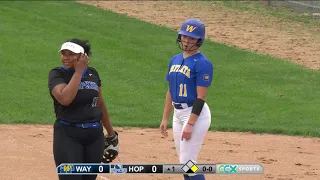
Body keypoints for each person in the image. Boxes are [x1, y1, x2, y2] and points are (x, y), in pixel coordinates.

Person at [48, 38, 118, 180]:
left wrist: (111, 134)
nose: (66, 58)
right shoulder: (57, 74)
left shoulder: (93, 73)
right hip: (68, 135)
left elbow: (99, 103)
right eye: (64, 53)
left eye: (71, 54)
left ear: (83, 56)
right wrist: (78, 73)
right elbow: (65, 99)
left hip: (94, 135)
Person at [160, 18, 213, 180]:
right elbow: (170, 91)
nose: (186, 40)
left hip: (195, 114)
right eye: (184, 36)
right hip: (178, 114)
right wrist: (165, 118)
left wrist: (190, 123)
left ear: (199, 40)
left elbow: (201, 97)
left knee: (187, 161)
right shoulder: (175, 59)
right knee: (184, 163)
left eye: (191, 38)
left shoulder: (203, 63)